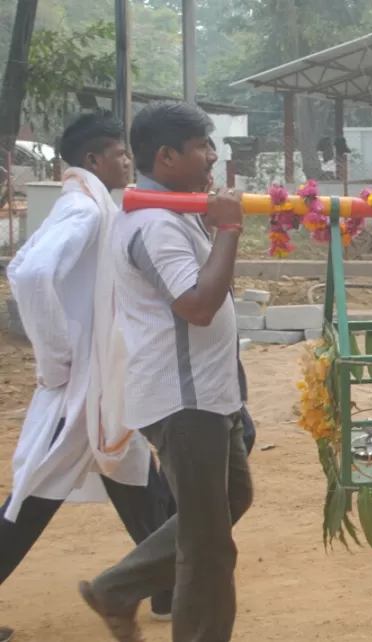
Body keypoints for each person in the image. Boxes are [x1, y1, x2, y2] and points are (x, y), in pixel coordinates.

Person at [77, 101, 252, 642]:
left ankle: (117, 587)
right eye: (203, 146)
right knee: (209, 550)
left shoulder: (175, 212)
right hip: (185, 403)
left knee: (232, 501)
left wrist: (212, 226)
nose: (213, 156)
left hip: (210, 395)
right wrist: (227, 231)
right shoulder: (154, 225)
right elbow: (197, 306)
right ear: (167, 155)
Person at [1, 112, 175, 641]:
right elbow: (29, 273)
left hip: (102, 383)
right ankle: (170, 579)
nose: (128, 159)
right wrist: (56, 358)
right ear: (95, 160)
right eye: (120, 153)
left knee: (139, 479)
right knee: (31, 503)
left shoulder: (96, 202)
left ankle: (169, 582)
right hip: (80, 389)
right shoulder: (82, 205)